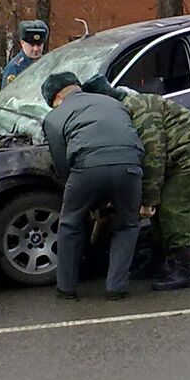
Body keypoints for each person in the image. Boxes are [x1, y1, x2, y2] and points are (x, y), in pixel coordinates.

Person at [82, 74, 190, 291]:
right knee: (161, 212)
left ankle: (184, 269)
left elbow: (152, 158)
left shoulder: (138, 111)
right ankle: (159, 261)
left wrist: (147, 199)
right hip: (178, 155)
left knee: (173, 209)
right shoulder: (125, 111)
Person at [40, 72, 143, 300]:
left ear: (57, 97)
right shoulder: (113, 102)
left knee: (69, 223)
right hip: (130, 165)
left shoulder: (54, 118)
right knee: (127, 224)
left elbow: (61, 162)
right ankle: (116, 287)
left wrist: (80, 191)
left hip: (87, 168)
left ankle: (66, 287)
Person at [1, 20, 48, 88]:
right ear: (22, 43)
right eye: (31, 45)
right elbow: (8, 95)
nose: (36, 49)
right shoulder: (14, 68)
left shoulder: (48, 62)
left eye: (39, 45)